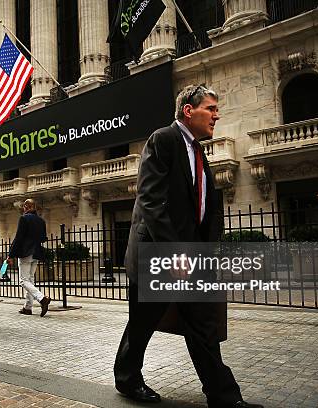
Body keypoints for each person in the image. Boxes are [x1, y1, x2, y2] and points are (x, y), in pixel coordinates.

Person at [113, 85, 263, 408]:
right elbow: (151, 201)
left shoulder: (199, 152)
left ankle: (224, 397)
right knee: (142, 323)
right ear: (188, 111)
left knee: (203, 327)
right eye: (210, 108)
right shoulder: (163, 140)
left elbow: (201, 207)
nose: (217, 115)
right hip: (158, 254)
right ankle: (127, 378)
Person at [7, 199, 51, 317]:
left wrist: (11, 255)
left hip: (26, 252)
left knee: (23, 280)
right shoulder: (41, 220)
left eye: (24, 207)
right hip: (37, 252)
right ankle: (28, 307)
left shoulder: (24, 218)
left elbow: (19, 237)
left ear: (26, 207)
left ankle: (42, 299)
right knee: (30, 279)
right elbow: (43, 238)